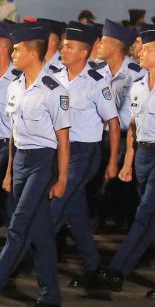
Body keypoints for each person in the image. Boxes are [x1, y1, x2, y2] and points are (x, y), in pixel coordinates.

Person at [0, 22, 71, 307]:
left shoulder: (54, 90)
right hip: (21, 160)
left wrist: (61, 178)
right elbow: (14, 134)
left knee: (18, 226)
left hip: (42, 162)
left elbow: (63, 139)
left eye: (19, 50)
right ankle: (50, 297)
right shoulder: (15, 86)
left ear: (34, 54)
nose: (14, 54)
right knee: (42, 234)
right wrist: (9, 171)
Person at [87, 26, 155, 299]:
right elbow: (134, 129)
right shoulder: (137, 87)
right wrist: (128, 163)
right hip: (144, 157)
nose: (140, 52)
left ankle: (116, 270)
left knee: (146, 213)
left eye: (145, 49)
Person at [47, 22, 121, 288]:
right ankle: (94, 267)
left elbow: (113, 123)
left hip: (85, 152)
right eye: (63, 45)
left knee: (57, 205)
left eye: (69, 46)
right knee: (75, 212)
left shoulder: (97, 83)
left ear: (84, 52)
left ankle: (26, 254)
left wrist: (112, 161)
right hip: (61, 149)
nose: (63, 50)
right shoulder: (56, 77)